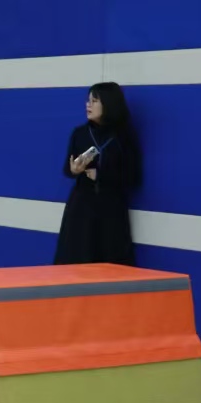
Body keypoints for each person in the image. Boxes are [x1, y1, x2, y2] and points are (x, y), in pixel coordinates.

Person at [55, 81, 141, 266]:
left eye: (94, 101)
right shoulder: (80, 133)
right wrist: (74, 170)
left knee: (109, 263)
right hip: (81, 207)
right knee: (76, 260)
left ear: (108, 103)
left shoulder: (124, 136)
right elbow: (67, 169)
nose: (88, 105)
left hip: (111, 209)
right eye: (88, 101)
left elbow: (133, 176)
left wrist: (101, 176)